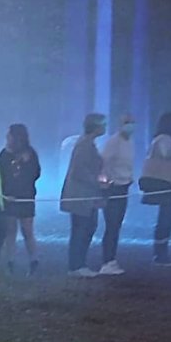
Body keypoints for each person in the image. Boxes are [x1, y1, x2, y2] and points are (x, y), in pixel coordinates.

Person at [61, 113, 107, 277]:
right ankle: (76, 265)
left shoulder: (88, 144)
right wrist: (97, 183)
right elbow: (79, 170)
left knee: (87, 227)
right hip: (80, 194)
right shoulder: (84, 145)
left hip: (87, 194)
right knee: (81, 229)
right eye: (103, 124)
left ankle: (79, 263)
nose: (105, 127)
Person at [0, 123, 42, 275]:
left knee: (27, 230)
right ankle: (10, 262)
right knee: (10, 231)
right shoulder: (4, 154)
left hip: (26, 197)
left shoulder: (30, 153)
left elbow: (36, 173)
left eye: (9, 135)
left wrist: (26, 164)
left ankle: (34, 261)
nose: (7, 138)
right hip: (9, 197)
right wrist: (3, 193)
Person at [139, 112, 171, 267]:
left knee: (168, 217)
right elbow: (165, 153)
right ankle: (160, 253)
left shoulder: (158, 139)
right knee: (167, 217)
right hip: (164, 182)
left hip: (166, 181)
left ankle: (160, 251)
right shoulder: (164, 138)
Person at [98, 113, 136, 275]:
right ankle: (107, 260)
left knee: (117, 224)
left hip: (124, 186)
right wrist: (106, 181)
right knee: (112, 224)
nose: (130, 125)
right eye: (127, 122)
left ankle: (111, 259)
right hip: (113, 188)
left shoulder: (130, 142)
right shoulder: (114, 142)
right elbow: (104, 162)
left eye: (132, 122)